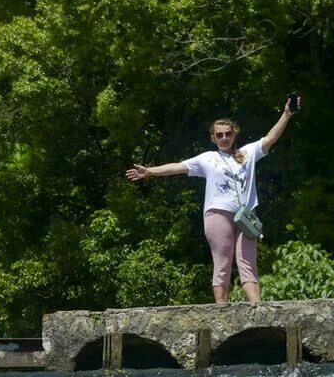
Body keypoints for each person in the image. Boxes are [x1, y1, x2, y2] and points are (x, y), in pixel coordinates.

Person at [125, 97, 299, 303]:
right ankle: (221, 310)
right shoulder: (207, 158)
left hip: (247, 215)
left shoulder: (246, 153)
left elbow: (270, 138)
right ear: (213, 138)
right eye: (219, 135)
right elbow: (178, 167)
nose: (224, 138)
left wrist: (287, 114)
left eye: (228, 134)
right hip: (218, 213)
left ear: (235, 134)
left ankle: (257, 308)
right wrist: (149, 171)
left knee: (248, 261)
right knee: (223, 261)